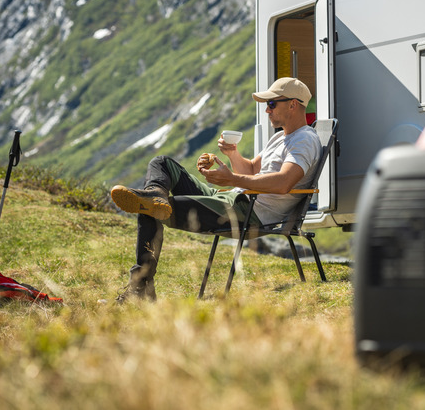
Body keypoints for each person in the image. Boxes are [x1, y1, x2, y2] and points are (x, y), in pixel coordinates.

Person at [110, 77, 322, 302]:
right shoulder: (281, 137)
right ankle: (156, 193)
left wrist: (231, 178)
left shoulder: (304, 141)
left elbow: (283, 183)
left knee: (149, 209)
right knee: (162, 164)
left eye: (271, 104)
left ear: (293, 104)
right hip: (233, 199)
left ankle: (139, 290)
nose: (267, 110)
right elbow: (250, 169)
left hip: (248, 213)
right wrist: (232, 154)